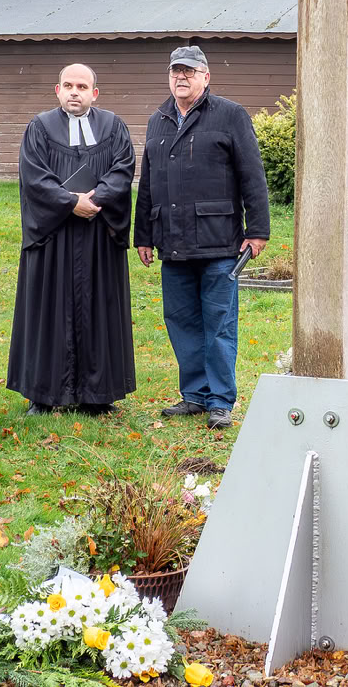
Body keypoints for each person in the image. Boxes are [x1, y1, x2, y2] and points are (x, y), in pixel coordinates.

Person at [134, 46, 269, 430]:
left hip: (219, 242)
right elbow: (148, 184)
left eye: (189, 72)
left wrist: (257, 230)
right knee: (181, 321)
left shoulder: (230, 115)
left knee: (219, 322)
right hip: (172, 243)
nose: (181, 77)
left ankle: (221, 400)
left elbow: (252, 177)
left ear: (205, 77)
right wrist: (143, 235)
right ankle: (194, 395)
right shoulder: (158, 120)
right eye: (176, 71)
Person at [7, 64, 137, 415]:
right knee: (50, 311)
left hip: (98, 236)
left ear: (95, 93)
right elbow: (34, 177)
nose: (74, 92)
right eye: (68, 85)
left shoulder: (113, 127)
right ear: (57, 90)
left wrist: (95, 201)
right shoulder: (40, 128)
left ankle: (98, 395)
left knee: (100, 310)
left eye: (82, 86)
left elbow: (124, 168)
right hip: (55, 237)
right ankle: (44, 394)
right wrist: (70, 203)